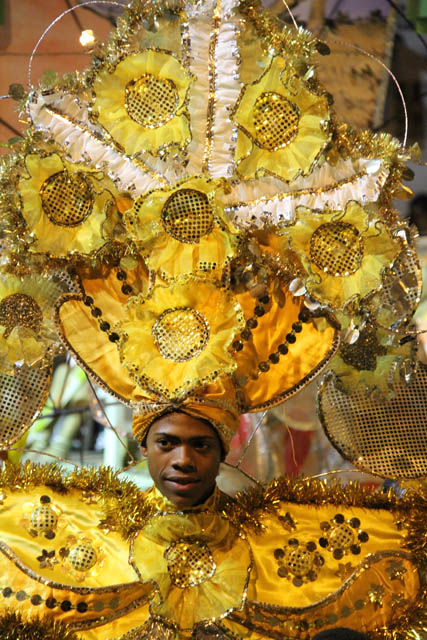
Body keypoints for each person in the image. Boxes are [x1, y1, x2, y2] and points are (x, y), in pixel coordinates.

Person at [0, 0, 425, 637]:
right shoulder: (83, 543)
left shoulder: (283, 552)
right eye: (169, 443)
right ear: (143, 446)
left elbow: (401, 550)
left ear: (225, 449)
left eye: (199, 445)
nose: (182, 461)